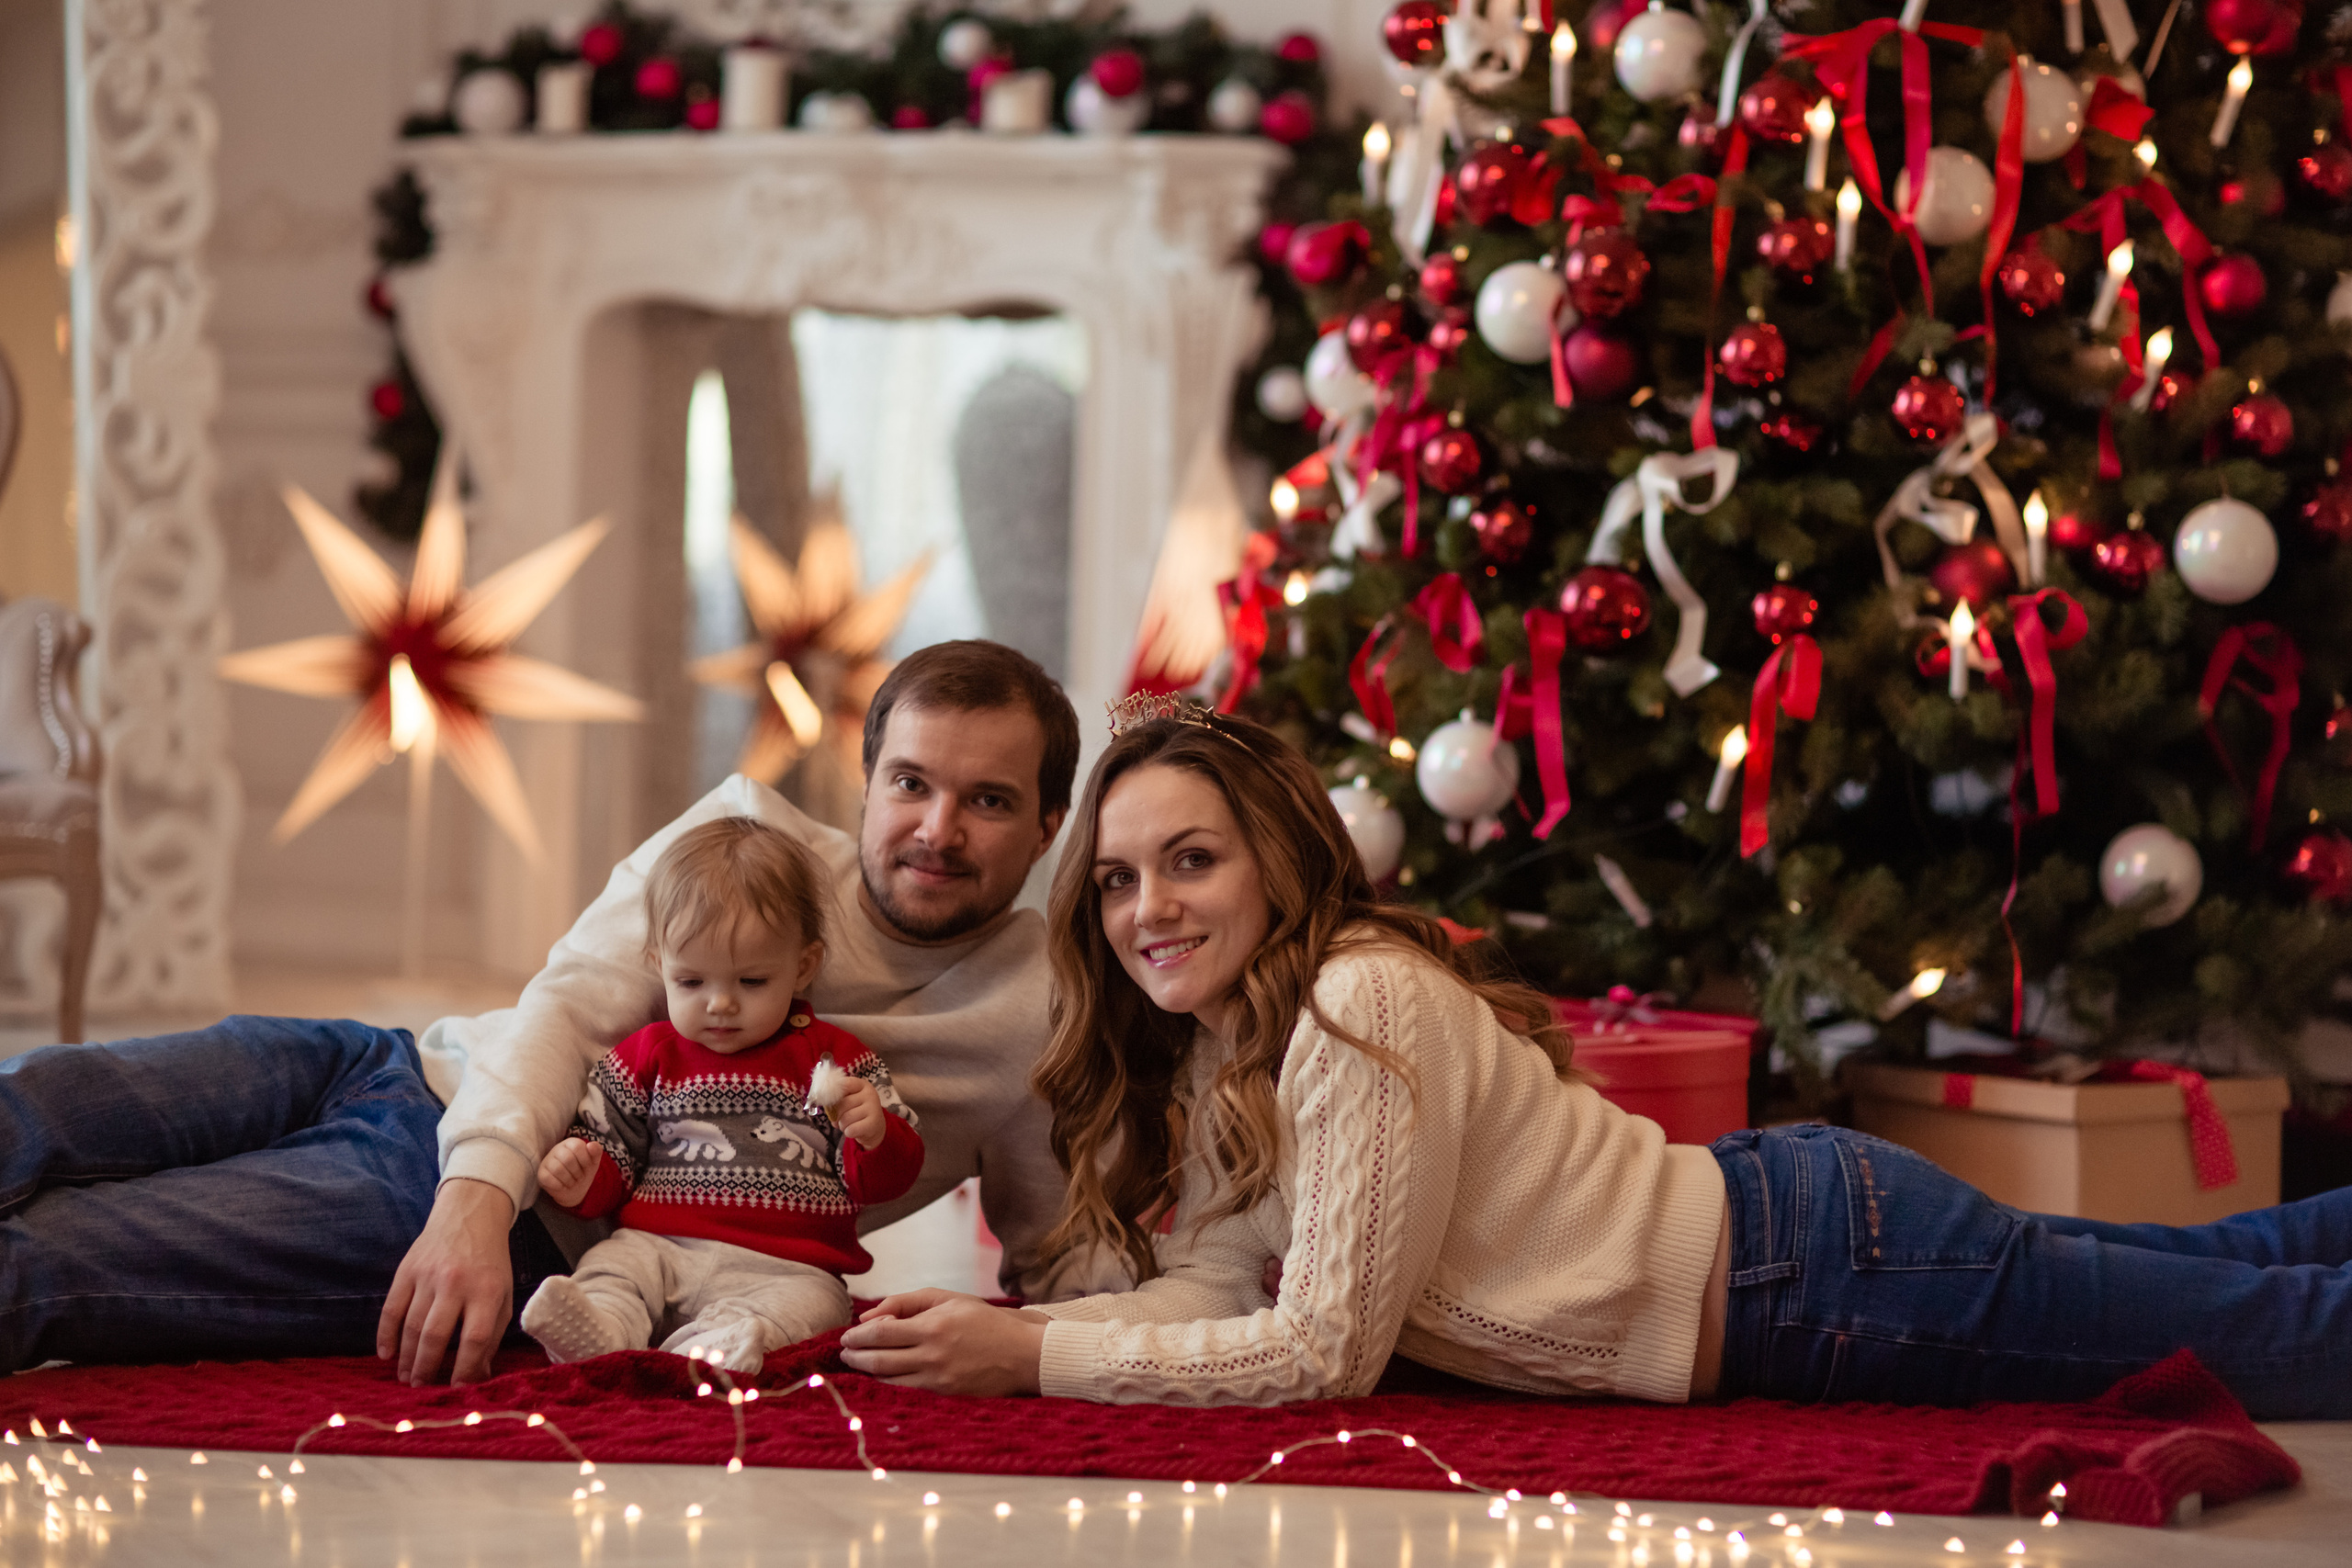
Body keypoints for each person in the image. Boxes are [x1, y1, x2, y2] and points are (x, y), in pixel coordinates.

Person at [838, 699, 2352, 1420]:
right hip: (1803, 1236)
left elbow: (1321, 1351)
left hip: (1821, 1281)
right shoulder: (1247, 1032)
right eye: (1115, 879)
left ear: (1281, 865)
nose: (1147, 908)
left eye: (1190, 862)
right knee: (2241, 1267)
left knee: (2273, 1345)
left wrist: (1035, 1351)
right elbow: (1231, 1283)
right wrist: (1016, 1331)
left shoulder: (1360, 1007)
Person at [0, 639, 1120, 1383]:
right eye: (912, 783)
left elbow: (1063, 1261)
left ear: (1048, 824)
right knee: (39, 1105)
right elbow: (565, 1014)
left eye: (988, 801)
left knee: (44, 1266)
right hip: (409, 1072)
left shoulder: (1039, 1014)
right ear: (867, 781)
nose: (938, 829)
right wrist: (466, 1209)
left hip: (537, 1222)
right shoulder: (740, 839)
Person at [520, 817, 922, 1373]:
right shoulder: (647, 1055)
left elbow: (887, 1180)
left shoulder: (835, 1062)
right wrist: (582, 1176)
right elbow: (610, 1151)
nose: (720, 1005)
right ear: (660, 966)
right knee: (613, 1266)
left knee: (821, 1307)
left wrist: (874, 1133)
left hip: (788, 1267)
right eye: (692, 983)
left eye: (751, 982)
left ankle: (716, 1346)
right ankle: (603, 1331)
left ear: (803, 967)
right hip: (659, 1244)